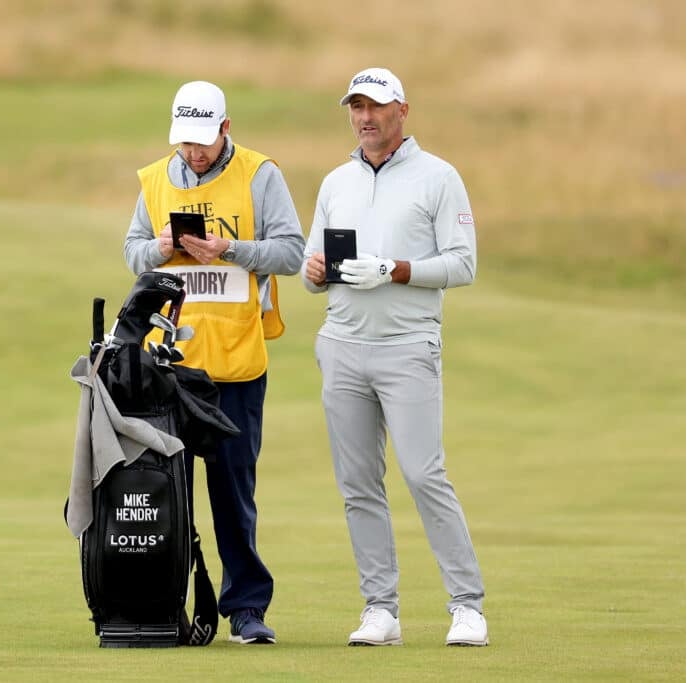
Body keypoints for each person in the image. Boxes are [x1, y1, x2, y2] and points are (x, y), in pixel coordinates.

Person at [301, 67, 489, 647]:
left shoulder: (438, 178)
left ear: (401, 111)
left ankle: (467, 606)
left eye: (376, 107)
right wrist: (313, 272)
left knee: (423, 474)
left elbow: (463, 264)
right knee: (358, 483)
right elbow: (312, 270)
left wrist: (396, 270)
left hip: (408, 346)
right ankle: (380, 609)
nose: (365, 117)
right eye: (356, 107)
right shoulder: (336, 182)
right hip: (343, 345)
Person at [124, 80, 305, 645]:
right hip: (169, 365)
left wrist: (230, 250)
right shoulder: (155, 179)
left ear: (226, 129)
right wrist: (157, 248)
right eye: (185, 143)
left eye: (202, 143)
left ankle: (246, 609)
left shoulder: (259, 174)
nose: (193, 154)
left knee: (232, 494)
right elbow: (131, 251)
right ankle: (158, 606)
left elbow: (292, 252)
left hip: (236, 363)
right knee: (163, 492)